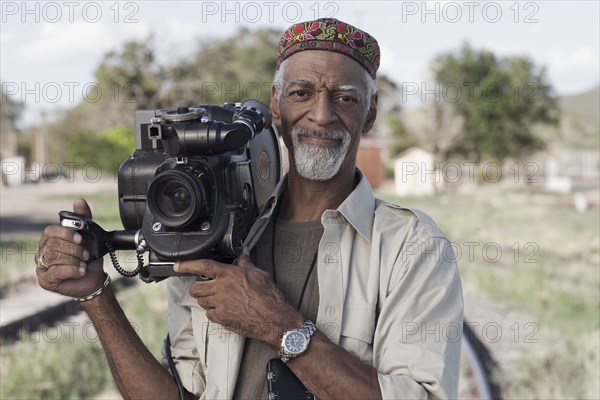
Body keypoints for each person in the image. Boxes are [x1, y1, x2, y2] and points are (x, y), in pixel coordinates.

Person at [36, 18, 463, 399]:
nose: (321, 114)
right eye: (302, 93)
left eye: (346, 99)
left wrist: (281, 327)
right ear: (276, 106)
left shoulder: (413, 247)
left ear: (369, 114)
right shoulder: (216, 229)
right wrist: (95, 294)